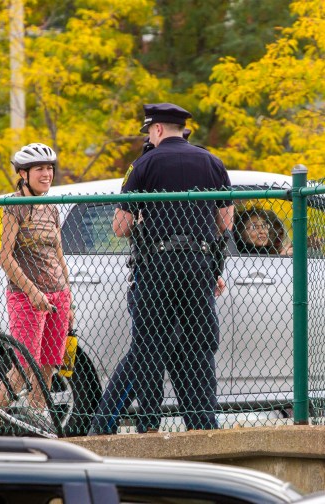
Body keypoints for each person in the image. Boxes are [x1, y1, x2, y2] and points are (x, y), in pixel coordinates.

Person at [89, 103, 233, 435]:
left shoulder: (142, 164)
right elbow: (225, 221)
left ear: (155, 130)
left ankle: (149, 425)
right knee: (198, 344)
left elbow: (120, 227)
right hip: (198, 265)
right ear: (182, 129)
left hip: (156, 265)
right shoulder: (212, 162)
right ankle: (203, 424)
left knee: (149, 343)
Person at [0, 142, 74, 435]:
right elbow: (4, 256)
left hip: (57, 294)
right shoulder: (15, 206)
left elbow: (58, 254)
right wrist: (33, 291)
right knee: (23, 368)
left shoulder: (51, 207)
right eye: (40, 169)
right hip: (26, 297)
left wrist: (68, 297)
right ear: (23, 174)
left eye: (49, 168)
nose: (46, 174)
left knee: (49, 366)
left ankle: (37, 426)